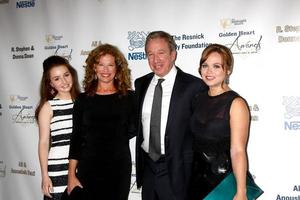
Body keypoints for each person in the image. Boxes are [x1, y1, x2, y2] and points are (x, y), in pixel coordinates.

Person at [134, 31, 207, 200]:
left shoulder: (194, 86)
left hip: (178, 170)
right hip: (148, 169)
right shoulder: (141, 83)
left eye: (161, 53)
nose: (155, 59)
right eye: (150, 54)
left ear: (173, 54)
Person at [67, 44, 136, 200]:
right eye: (101, 64)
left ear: (117, 69)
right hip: (89, 168)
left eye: (110, 65)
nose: (106, 70)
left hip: (118, 169)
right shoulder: (83, 100)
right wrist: (71, 174)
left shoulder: (130, 98)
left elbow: (134, 129)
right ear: (94, 68)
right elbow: (76, 138)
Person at [188, 44, 250, 200]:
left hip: (222, 180)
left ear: (227, 70)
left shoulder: (236, 103)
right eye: (205, 65)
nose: (209, 71)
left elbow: (238, 150)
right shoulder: (197, 99)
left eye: (216, 66)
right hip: (196, 179)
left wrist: (241, 192)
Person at [35, 55, 80, 200]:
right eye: (57, 78)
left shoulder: (84, 102)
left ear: (72, 74)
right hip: (58, 169)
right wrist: (45, 176)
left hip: (83, 167)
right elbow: (43, 143)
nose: (64, 81)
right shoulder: (48, 107)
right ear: (50, 84)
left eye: (66, 75)